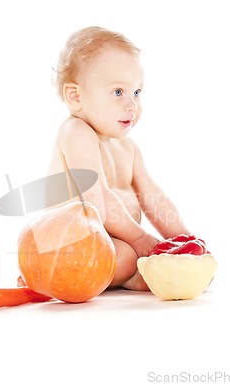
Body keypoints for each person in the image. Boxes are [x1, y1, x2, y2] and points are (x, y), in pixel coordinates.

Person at [47, 26, 191, 291]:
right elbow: (97, 199)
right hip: (66, 247)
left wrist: (186, 241)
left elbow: (154, 198)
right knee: (126, 255)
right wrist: (143, 240)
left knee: (127, 254)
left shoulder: (129, 148)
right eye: (118, 92)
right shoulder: (76, 133)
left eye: (137, 92)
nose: (132, 105)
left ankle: (133, 275)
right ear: (75, 96)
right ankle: (49, 279)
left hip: (114, 244)